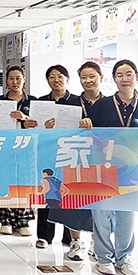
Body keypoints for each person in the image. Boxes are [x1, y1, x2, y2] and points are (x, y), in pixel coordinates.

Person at [80, 59, 138, 275]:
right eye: (119, 75)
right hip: (103, 167)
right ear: (114, 79)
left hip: (133, 171)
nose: (124, 79)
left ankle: (124, 258)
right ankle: (104, 257)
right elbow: (88, 134)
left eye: (129, 74)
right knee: (102, 213)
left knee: (127, 214)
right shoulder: (102, 105)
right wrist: (85, 123)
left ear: (137, 77)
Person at [0, 66, 37, 236]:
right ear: (6, 82)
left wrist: (24, 117)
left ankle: (23, 220)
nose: (15, 82)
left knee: (24, 182)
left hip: (26, 147)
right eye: (11, 79)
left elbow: (39, 123)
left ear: (24, 80)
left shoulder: (33, 101)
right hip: (5, 146)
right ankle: (5, 220)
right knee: (4, 180)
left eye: (18, 78)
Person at [34, 65, 81, 249]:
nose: (56, 80)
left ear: (67, 79)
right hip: (48, 152)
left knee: (70, 194)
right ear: (47, 81)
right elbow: (34, 128)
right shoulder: (41, 102)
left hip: (71, 152)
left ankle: (70, 236)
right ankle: (44, 236)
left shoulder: (77, 101)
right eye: (51, 77)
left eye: (60, 76)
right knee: (48, 192)